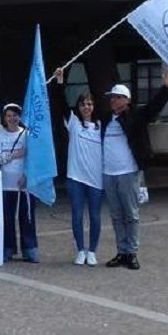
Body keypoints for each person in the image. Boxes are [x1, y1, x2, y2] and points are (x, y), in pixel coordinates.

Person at [100, 67, 168, 270]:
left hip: (128, 172)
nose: (113, 100)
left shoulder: (137, 116)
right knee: (116, 215)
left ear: (126, 100)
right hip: (109, 174)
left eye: (117, 97)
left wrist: (166, 88)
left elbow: (154, 107)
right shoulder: (106, 119)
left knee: (131, 214)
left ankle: (132, 252)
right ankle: (121, 252)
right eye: (112, 97)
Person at [54, 68, 104, 267]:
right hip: (75, 177)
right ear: (79, 107)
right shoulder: (73, 123)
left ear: (94, 106)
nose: (86, 107)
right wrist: (60, 82)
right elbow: (61, 103)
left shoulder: (101, 126)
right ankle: (80, 250)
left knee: (95, 216)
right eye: (83, 104)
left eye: (89, 104)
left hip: (96, 179)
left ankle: (92, 251)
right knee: (76, 215)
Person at [0, 103, 39, 263]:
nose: (12, 118)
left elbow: (33, 158)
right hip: (5, 184)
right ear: (4, 118)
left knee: (27, 216)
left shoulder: (27, 135)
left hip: (25, 184)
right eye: (9, 115)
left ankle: (29, 249)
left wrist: (26, 175)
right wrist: (13, 155)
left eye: (15, 115)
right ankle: (8, 248)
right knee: (7, 217)